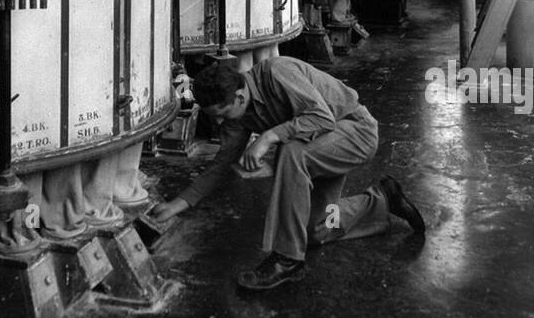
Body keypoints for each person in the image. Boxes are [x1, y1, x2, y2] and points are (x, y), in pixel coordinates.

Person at [151, 55, 425, 291]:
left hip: (355, 132)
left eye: (222, 113)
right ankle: (383, 200)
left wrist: (268, 137)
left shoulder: (276, 73)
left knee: (291, 152)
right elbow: (222, 164)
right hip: (321, 146)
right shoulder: (237, 113)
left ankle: (286, 259)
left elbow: (323, 119)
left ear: (238, 96)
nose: (220, 121)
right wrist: (178, 204)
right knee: (317, 230)